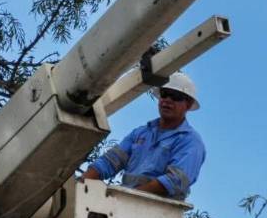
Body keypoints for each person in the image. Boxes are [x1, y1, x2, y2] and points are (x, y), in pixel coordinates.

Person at [82, 71, 206, 200]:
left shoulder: (190, 141)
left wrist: (128, 197)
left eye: (176, 96)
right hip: (125, 204)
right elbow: (110, 161)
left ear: (189, 104)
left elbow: (174, 181)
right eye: (165, 94)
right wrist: (81, 184)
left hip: (158, 211)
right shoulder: (141, 133)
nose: (168, 100)